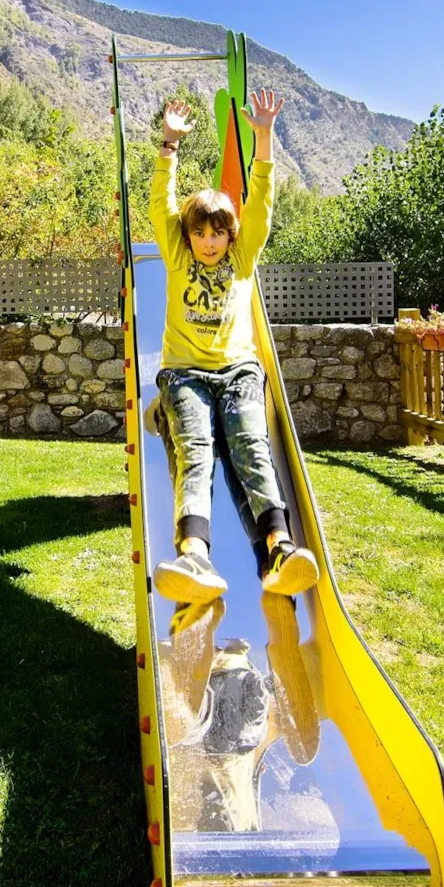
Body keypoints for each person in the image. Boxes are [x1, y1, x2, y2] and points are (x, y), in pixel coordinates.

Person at [149, 92, 319, 624]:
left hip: (239, 370)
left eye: (217, 232)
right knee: (196, 449)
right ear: (187, 235)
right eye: (199, 232)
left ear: (230, 234)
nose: (208, 241)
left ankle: (279, 550)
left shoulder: (243, 258)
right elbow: (160, 202)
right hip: (185, 375)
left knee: (250, 446)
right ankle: (194, 556)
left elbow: (261, 199)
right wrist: (169, 144)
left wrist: (263, 135)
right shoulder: (177, 255)